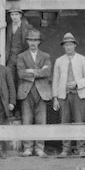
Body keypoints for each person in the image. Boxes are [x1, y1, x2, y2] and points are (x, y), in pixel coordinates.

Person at [52, 32, 85, 158]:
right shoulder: (59, 61)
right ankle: (65, 149)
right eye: (66, 45)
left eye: (70, 44)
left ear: (75, 45)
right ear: (63, 47)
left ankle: (81, 149)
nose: (68, 47)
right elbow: (55, 79)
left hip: (78, 95)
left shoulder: (82, 59)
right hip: (63, 96)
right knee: (64, 123)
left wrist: (77, 83)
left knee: (80, 122)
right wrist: (55, 97)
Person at [16, 29, 52, 158]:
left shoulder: (45, 56)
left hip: (42, 92)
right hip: (26, 91)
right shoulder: (21, 56)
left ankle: (39, 148)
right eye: (31, 40)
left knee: (41, 121)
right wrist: (38, 71)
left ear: (39, 42)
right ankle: (28, 148)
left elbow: (47, 72)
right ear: (27, 41)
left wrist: (30, 71)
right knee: (27, 120)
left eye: (35, 40)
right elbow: (21, 73)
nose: (33, 43)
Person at [0, 4, 34, 102]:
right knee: (10, 82)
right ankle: (12, 104)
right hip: (11, 58)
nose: (14, 17)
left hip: (22, 58)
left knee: (22, 82)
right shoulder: (7, 26)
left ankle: (20, 108)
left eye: (16, 14)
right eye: (12, 15)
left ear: (21, 15)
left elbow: (36, 41)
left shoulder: (27, 26)